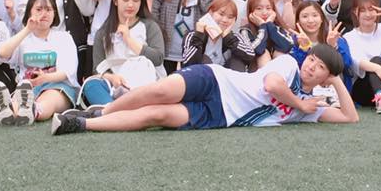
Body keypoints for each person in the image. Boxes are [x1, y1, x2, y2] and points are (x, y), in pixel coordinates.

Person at [49, 45, 359, 134]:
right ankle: (105, 110)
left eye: (320, 67)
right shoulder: (290, 64)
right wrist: (300, 104)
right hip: (216, 79)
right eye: (312, 59)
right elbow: (271, 85)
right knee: (159, 91)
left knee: (156, 115)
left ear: (325, 76)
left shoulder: (311, 106)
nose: (311, 67)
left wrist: (335, 82)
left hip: (219, 116)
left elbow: (350, 118)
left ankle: (80, 124)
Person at [0, 0, 80, 126]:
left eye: (48, 9)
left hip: (57, 87)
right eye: (39, 9)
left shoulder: (63, 38)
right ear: (29, 13)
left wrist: (45, 78)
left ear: (55, 13)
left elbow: (66, 72)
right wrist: (27, 29)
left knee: (49, 99)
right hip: (27, 88)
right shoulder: (23, 38)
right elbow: (3, 53)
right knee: (22, 98)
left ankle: (33, 110)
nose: (44, 14)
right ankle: (8, 110)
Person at [78, 0, 166, 108]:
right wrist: (112, 78)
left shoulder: (149, 26)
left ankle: (113, 111)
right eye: (125, 0)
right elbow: (97, 68)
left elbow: (158, 58)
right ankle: (115, 109)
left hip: (145, 82)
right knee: (91, 84)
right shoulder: (103, 32)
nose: (130, 5)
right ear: (115, 1)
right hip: (117, 85)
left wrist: (129, 40)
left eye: (136, 0)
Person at [179, 0, 255, 71]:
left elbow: (250, 55)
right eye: (221, 14)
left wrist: (228, 38)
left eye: (230, 17)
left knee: (237, 60)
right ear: (210, 13)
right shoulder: (193, 35)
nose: (225, 20)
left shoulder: (235, 37)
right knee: (205, 59)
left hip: (226, 77)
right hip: (202, 77)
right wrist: (199, 36)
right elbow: (188, 63)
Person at [239, 0, 294, 70]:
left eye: (268, 8)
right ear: (251, 11)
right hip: (255, 70)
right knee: (263, 55)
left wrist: (269, 25)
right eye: (259, 8)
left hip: (279, 72)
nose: (264, 13)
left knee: (279, 53)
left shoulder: (277, 27)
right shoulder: (246, 30)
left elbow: (287, 46)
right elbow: (257, 50)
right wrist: (263, 26)